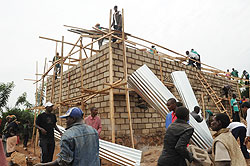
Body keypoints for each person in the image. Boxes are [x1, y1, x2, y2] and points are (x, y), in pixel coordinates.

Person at [35, 107, 100, 166]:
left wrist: (43, 165)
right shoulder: (94, 131)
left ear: (73, 119)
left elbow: (63, 162)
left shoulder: (68, 135)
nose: (66, 121)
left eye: (67, 119)